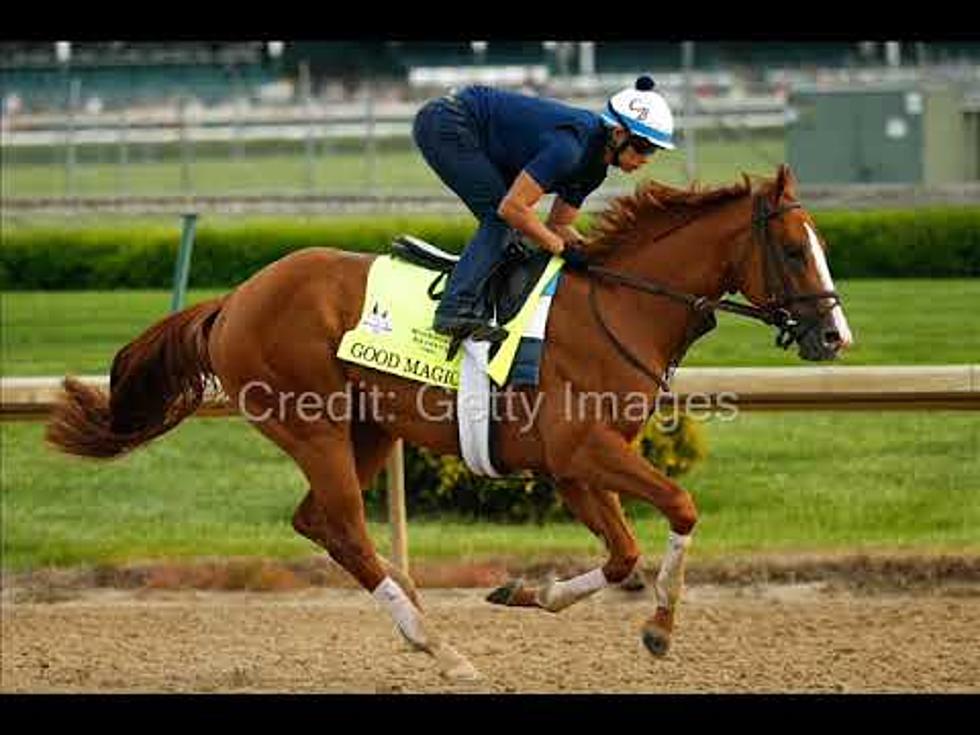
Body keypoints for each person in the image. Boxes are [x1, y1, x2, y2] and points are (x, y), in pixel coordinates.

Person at [412, 74, 675, 343]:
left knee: (515, 233)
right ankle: (454, 310)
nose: (645, 159)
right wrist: (562, 249)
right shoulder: (569, 148)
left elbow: (559, 226)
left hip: (479, 135)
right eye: (643, 148)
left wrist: (594, 254)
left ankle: (479, 302)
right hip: (448, 122)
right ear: (618, 134)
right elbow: (513, 208)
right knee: (501, 221)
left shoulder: (594, 172)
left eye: (653, 151)